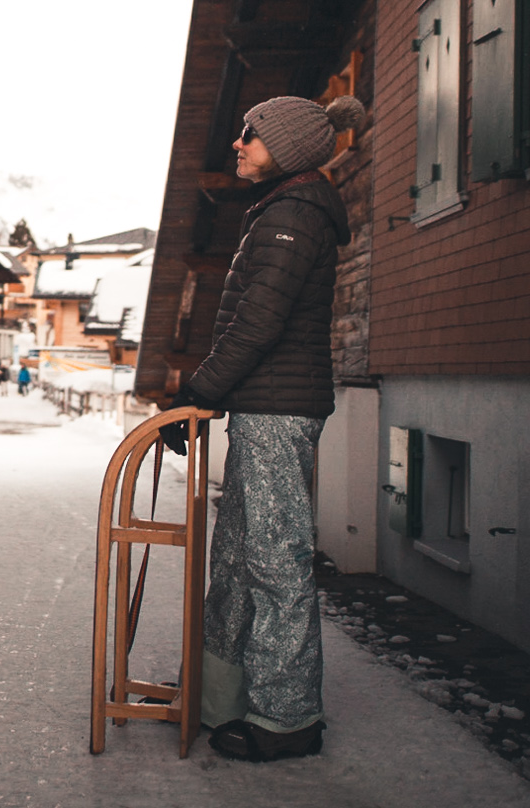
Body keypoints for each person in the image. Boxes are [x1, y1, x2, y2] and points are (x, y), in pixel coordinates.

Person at [162, 91, 364, 763]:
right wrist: (209, 399)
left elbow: (260, 321)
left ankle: (287, 718)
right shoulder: (282, 210)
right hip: (261, 407)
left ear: (290, 148)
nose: (237, 144)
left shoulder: (295, 215)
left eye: (250, 135)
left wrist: (200, 392)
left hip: (278, 411)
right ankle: (221, 699)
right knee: (236, 559)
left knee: (274, 563)